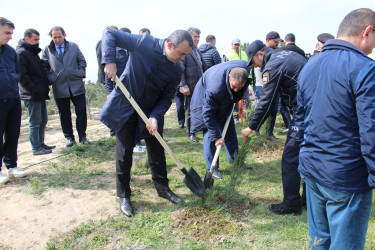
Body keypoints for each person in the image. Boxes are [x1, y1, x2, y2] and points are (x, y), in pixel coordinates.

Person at [295, 8, 375, 249]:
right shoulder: (364, 68)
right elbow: (371, 130)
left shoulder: (310, 65)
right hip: (345, 176)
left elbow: (299, 120)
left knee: (319, 241)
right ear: (367, 32)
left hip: (312, 168)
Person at [98, 28, 193, 217]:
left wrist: (156, 116)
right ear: (169, 45)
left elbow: (167, 97)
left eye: (186, 55)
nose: (182, 58)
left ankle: (162, 188)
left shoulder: (177, 68)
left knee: (157, 149)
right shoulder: (145, 43)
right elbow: (110, 33)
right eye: (181, 53)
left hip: (151, 111)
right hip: (126, 105)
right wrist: (109, 60)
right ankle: (124, 195)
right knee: (124, 152)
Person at [242, 40, 307, 215]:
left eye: (254, 61)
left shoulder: (272, 66)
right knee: (307, 153)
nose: (255, 65)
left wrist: (251, 127)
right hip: (313, 108)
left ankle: (292, 203)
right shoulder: (287, 54)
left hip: (305, 111)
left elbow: (266, 101)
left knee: (290, 158)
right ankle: (308, 199)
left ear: (260, 54)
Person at [190, 61, 253, 180]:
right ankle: (212, 168)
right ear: (229, 77)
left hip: (224, 99)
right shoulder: (215, 88)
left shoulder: (244, 70)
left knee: (230, 132)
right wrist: (217, 137)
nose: (236, 90)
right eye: (234, 86)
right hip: (203, 103)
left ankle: (235, 161)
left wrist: (233, 95)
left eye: (239, 88)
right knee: (210, 134)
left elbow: (235, 90)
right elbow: (208, 115)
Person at [42, 26, 90, 147]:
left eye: (59, 36)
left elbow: (82, 61)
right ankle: (69, 138)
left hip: (76, 85)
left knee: (81, 111)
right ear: (51, 37)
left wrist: (80, 74)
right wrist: (52, 79)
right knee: (64, 113)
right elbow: (44, 67)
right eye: (54, 37)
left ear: (64, 36)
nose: (57, 39)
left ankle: (82, 136)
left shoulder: (73, 46)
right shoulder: (47, 50)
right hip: (59, 87)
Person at [16, 29, 56, 155]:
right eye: (35, 40)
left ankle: (41, 143)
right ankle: (36, 148)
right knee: (35, 122)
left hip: (39, 93)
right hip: (31, 95)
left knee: (43, 120)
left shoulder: (32, 52)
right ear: (27, 39)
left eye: (39, 39)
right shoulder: (21, 53)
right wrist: (34, 89)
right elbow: (22, 76)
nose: (38, 42)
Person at [0, 17, 27, 185]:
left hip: (13, 98)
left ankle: (12, 165)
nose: (10, 36)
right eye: (6, 33)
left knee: (13, 133)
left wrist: (12, 78)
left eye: (11, 33)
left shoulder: (11, 52)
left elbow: (18, 72)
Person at [180, 27, 207, 142]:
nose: (197, 39)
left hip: (200, 85)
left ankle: (198, 127)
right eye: (195, 36)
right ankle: (191, 132)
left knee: (200, 108)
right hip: (189, 86)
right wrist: (183, 85)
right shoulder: (186, 50)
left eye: (198, 37)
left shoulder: (197, 50)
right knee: (190, 109)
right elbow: (180, 69)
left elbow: (203, 67)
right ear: (189, 36)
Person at [225, 38, 249, 124]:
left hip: (244, 80)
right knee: (234, 99)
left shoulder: (244, 54)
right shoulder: (229, 55)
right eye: (235, 45)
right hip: (234, 81)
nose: (236, 46)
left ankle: (247, 117)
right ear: (232, 45)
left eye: (238, 44)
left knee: (246, 99)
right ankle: (235, 117)